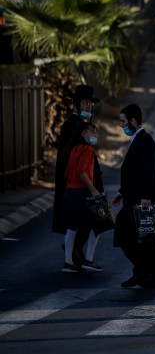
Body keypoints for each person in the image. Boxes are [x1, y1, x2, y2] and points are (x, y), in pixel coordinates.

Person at [112, 104, 155, 289]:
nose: (121, 125)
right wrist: (121, 192)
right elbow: (135, 173)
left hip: (141, 201)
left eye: (123, 121)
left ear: (133, 121)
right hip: (133, 198)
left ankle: (153, 275)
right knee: (139, 239)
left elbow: (149, 171)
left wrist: (146, 196)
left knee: (142, 239)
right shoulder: (137, 139)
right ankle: (144, 273)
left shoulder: (145, 140)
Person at [53, 85, 104, 270]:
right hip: (79, 184)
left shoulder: (83, 124)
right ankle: (77, 254)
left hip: (82, 181)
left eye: (90, 103)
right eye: (85, 102)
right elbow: (73, 160)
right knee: (88, 220)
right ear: (76, 104)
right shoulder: (73, 125)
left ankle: (75, 254)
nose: (89, 106)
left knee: (83, 221)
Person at [61, 121, 103, 273]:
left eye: (96, 133)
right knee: (97, 226)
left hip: (69, 193)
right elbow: (80, 170)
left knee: (72, 228)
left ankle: (68, 262)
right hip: (82, 193)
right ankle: (89, 260)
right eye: (93, 133)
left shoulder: (73, 150)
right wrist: (92, 189)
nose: (96, 136)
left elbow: (67, 174)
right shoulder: (87, 149)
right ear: (83, 134)